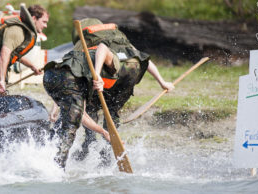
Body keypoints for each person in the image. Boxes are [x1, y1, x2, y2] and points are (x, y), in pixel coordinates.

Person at [51, 18, 174, 162]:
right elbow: (143, 59)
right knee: (112, 111)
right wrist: (162, 82)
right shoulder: (118, 37)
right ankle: (107, 152)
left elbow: (70, 75)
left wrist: (56, 105)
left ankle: (89, 146)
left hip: (109, 75)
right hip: (129, 75)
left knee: (89, 108)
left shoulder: (84, 42)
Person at [43, 19, 130, 169]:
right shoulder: (114, 65)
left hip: (50, 77)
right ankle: (57, 170)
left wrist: (103, 132)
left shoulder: (81, 68)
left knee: (72, 121)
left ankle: (45, 157)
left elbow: (81, 114)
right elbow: (103, 48)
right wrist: (97, 75)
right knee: (69, 128)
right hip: (65, 78)